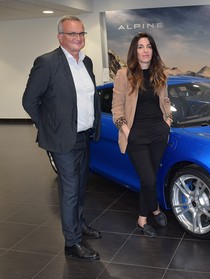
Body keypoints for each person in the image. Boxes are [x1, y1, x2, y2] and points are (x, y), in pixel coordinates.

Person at [22, 15, 101, 260]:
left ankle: (79, 224)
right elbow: (29, 101)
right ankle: (72, 242)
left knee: (80, 186)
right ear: (60, 37)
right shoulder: (47, 62)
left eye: (81, 34)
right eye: (72, 34)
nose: (78, 38)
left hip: (84, 136)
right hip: (62, 140)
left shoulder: (86, 62)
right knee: (68, 190)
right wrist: (49, 127)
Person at [111, 32, 172, 238]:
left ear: (153, 50)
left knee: (151, 178)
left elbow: (165, 101)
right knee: (148, 180)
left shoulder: (160, 73)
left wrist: (168, 122)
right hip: (136, 134)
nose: (145, 50)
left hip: (158, 132)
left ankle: (152, 210)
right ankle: (145, 216)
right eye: (140, 46)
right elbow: (117, 108)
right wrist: (128, 132)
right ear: (134, 51)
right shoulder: (123, 74)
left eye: (148, 46)